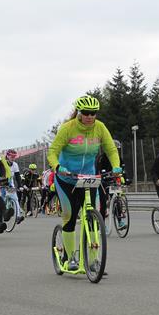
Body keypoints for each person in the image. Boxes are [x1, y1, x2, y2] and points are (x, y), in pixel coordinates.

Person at [47, 95, 121, 270]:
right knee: (70, 217)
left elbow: (111, 149)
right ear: (79, 112)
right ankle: (70, 258)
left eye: (93, 113)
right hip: (67, 178)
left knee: (94, 217)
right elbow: (53, 152)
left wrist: (116, 166)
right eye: (86, 112)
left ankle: (94, 261)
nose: (89, 116)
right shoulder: (67, 128)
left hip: (89, 178)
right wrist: (57, 167)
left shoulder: (100, 127)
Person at [95, 139, 128, 220]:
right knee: (103, 202)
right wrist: (103, 174)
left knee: (117, 199)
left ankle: (120, 220)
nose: (116, 151)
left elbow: (123, 169)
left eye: (117, 150)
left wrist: (126, 179)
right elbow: (99, 170)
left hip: (113, 180)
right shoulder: (101, 158)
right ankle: (102, 222)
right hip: (103, 181)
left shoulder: (119, 158)